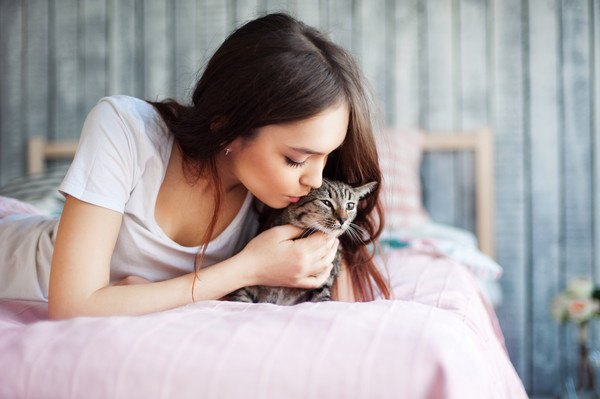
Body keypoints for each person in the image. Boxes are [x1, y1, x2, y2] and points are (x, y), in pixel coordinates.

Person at [3, 12, 392, 319]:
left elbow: (341, 315)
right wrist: (248, 268)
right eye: (296, 159)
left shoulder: (277, 204)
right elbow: (72, 307)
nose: (315, 181)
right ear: (229, 129)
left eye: (327, 157)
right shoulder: (125, 128)